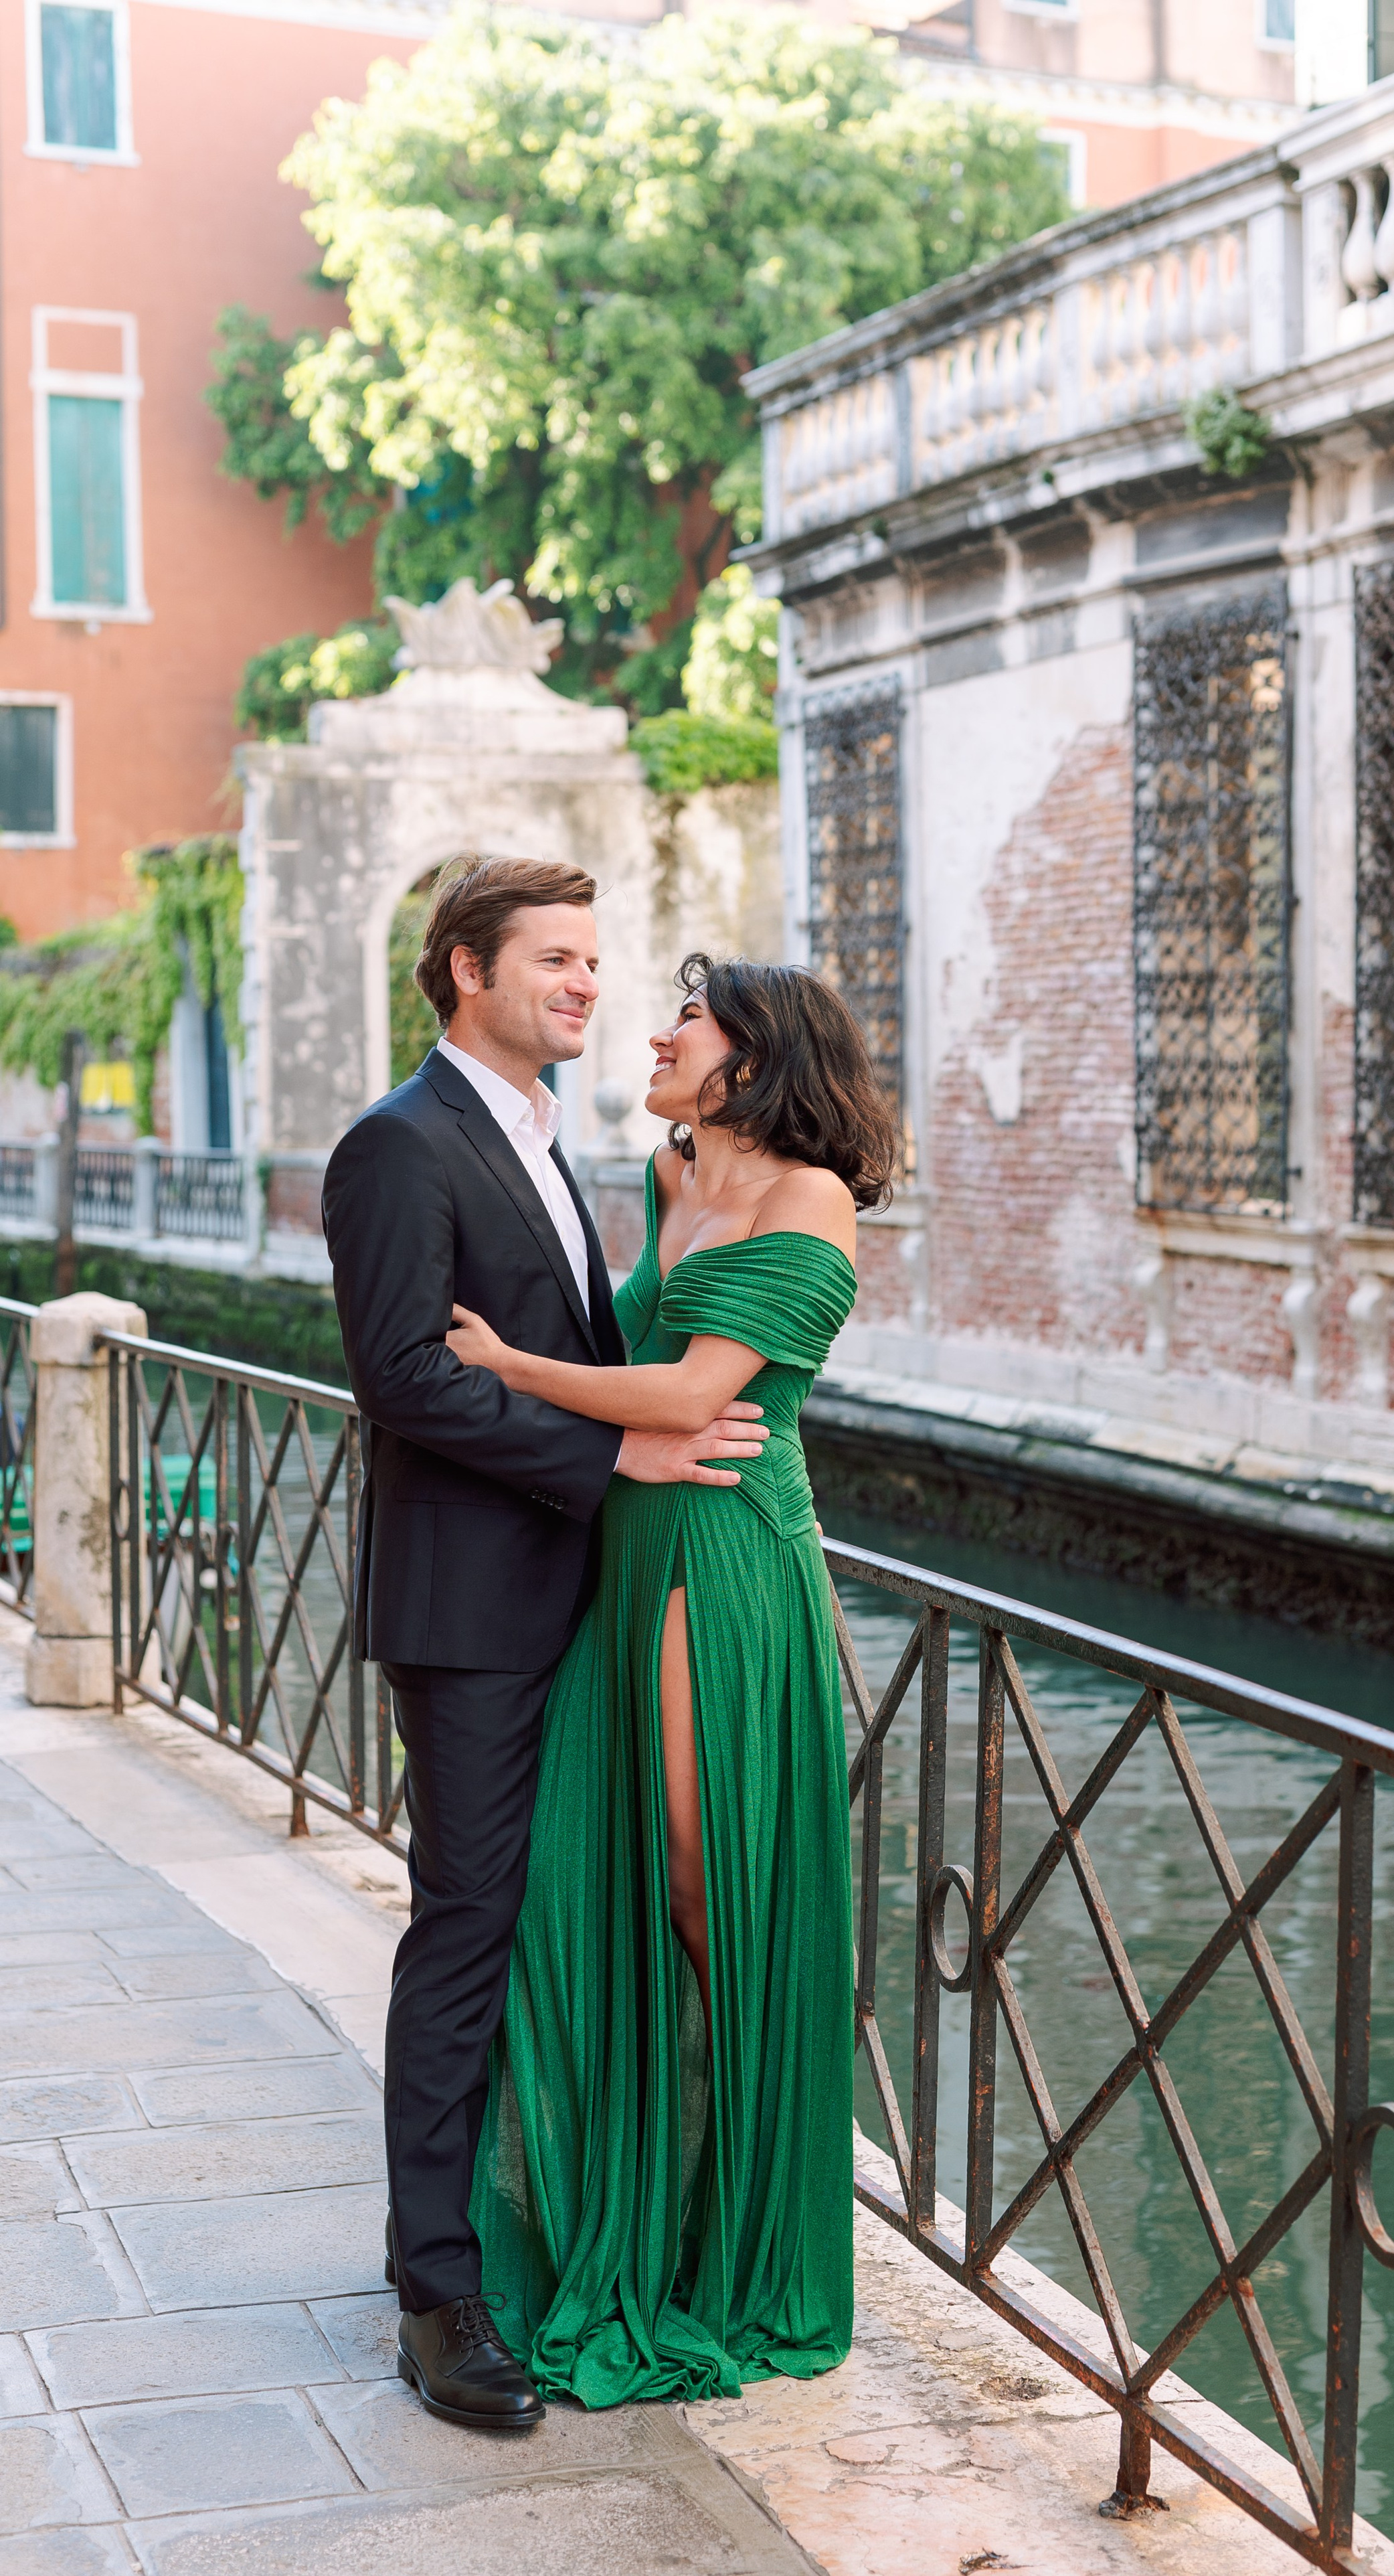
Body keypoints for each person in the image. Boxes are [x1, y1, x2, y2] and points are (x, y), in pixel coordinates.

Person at [321, 858, 770, 2433]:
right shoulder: (395, 1144)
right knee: (467, 1927)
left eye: (596, 962)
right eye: (556, 961)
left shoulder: (552, 1136)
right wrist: (614, 1464)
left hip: (586, 1602)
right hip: (470, 1614)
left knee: (581, 1918)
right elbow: (404, 1384)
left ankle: (582, 2218)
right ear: (462, 971)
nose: (589, 985)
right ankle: (435, 2291)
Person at [448, 951, 895, 2405]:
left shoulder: (805, 1199)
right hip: (626, 1555)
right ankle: (638, 2195)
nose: (652, 1032)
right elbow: (635, 1341)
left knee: (709, 1884)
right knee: (609, 1872)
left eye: (685, 1021)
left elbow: (697, 1394)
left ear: (757, 1056)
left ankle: (752, 2230)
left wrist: (507, 1368)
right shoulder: (671, 1169)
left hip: (722, 1559)